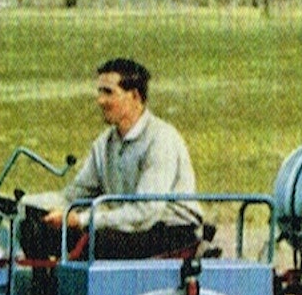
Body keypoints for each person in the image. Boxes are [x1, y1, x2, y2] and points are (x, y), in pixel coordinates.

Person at [24, 58, 203, 259]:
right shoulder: (104, 143)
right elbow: (74, 196)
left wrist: (81, 220)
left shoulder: (161, 139)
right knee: (37, 233)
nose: (100, 100)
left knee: (96, 242)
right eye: (99, 92)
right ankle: (45, 280)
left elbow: (145, 212)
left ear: (134, 96)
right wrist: (26, 203)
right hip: (133, 229)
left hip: (171, 231)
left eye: (108, 92)